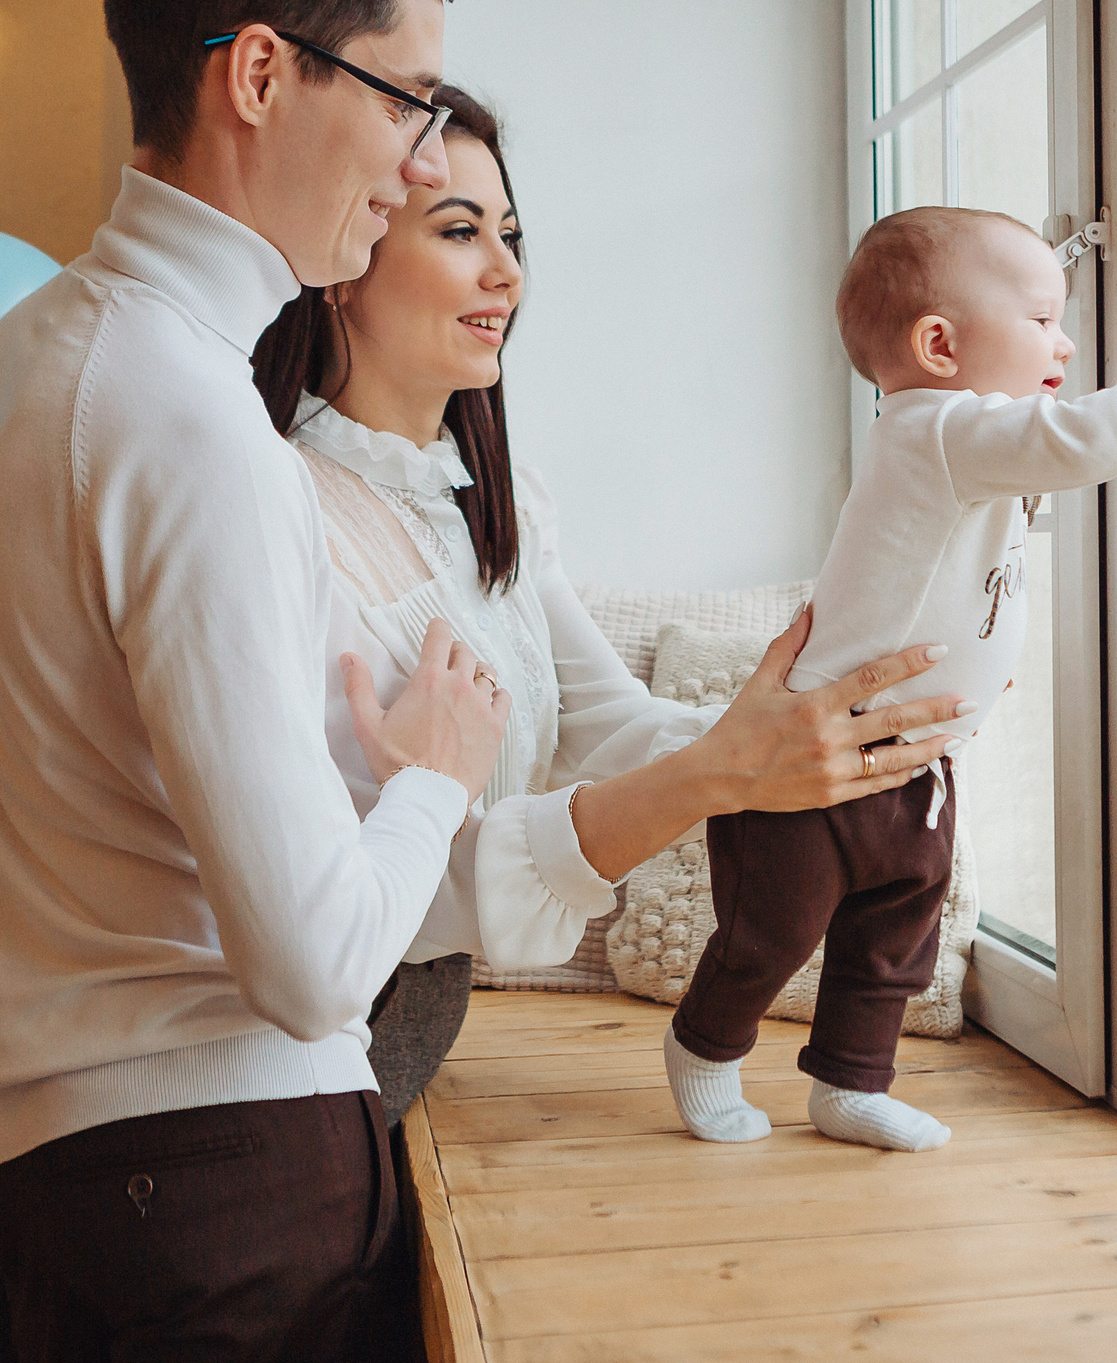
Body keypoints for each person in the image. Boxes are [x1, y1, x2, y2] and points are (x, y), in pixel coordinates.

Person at [0, 0, 966, 1363]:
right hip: (226, 1174)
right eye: (406, 98)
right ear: (263, 77)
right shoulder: (191, 420)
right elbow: (312, 963)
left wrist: (754, 745)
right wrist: (431, 767)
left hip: (58, 1174)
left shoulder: (30, 353)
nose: (417, 149)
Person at [250, 85, 982, 1117]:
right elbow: (376, 901)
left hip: (416, 1022)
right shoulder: (282, 514)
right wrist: (727, 771)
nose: (506, 271)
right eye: (459, 230)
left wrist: (801, 747)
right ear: (342, 257)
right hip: (322, 1045)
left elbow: (609, 726)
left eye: (509, 233)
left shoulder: (495, 504)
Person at [665, 207, 1117, 1153]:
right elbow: (1078, 439)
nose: (1063, 341)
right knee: (766, 937)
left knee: (893, 939)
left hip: (911, 767)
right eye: (1040, 319)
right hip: (808, 767)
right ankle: (704, 1048)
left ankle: (849, 1084)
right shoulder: (938, 428)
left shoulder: (958, 444)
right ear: (939, 345)